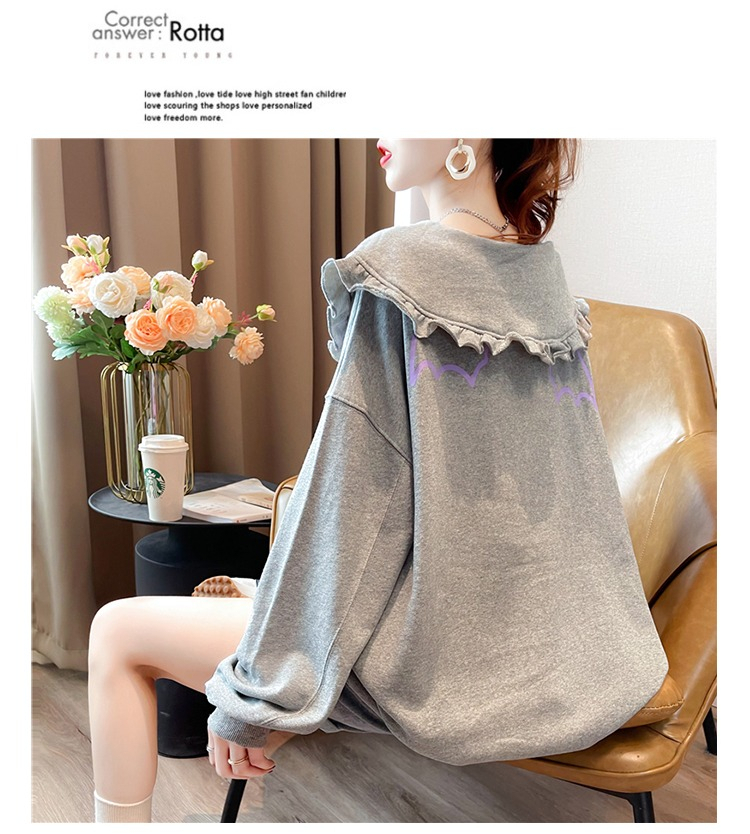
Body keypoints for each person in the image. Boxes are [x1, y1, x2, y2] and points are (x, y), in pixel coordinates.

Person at [87, 139, 669, 823]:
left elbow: (353, 509)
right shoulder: (544, 276)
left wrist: (258, 700)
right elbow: (581, 497)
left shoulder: (401, 274)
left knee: (117, 632)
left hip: (440, 663)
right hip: (582, 658)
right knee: (257, 610)